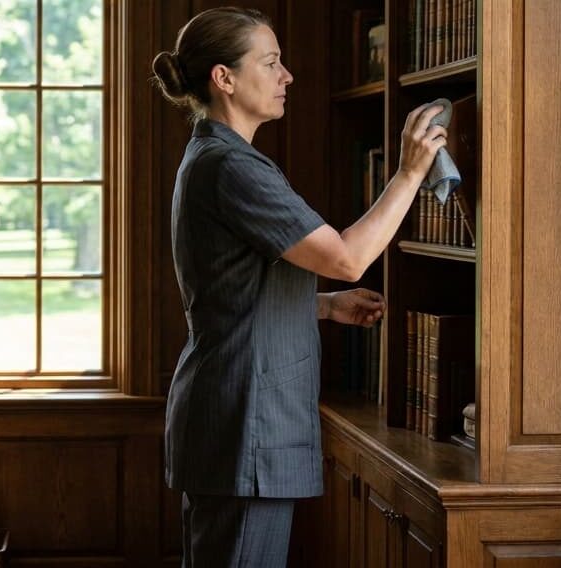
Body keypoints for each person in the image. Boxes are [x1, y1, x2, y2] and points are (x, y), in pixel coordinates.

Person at [150, 7, 445, 567]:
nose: (287, 75)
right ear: (224, 78)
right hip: (246, 423)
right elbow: (348, 257)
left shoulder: (219, 157)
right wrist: (409, 173)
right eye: (271, 62)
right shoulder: (231, 166)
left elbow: (230, 289)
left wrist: (324, 306)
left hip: (240, 418)